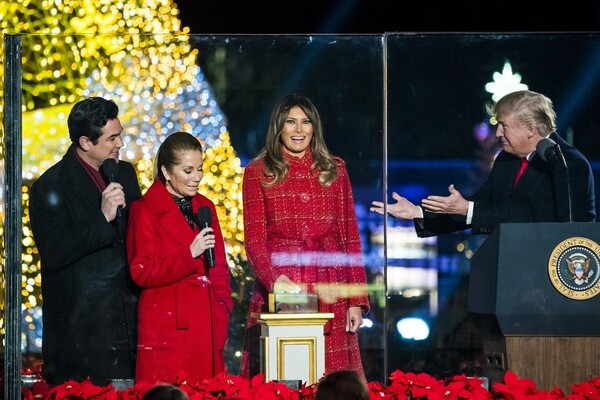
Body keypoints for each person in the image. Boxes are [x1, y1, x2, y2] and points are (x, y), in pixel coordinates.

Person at [240, 94, 370, 378]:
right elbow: (254, 242)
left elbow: (350, 238)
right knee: (287, 375)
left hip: (331, 287)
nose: (299, 130)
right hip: (284, 286)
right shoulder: (257, 172)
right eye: (291, 122)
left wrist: (357, 299)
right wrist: (274, 281)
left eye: (305, 122)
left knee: (334, 382)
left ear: (315, 128)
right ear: (279, 127)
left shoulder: (335, 169)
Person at [370, 90, 596, 235]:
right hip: (506, 278)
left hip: (549, 282)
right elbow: (481, 206)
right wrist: (418, 212)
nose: (497, 133)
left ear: (530, 128)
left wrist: (469, 208)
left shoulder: (568, 164)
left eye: (504, 125)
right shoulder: (506, 160)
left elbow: (531, 216)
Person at [29, 97, 141, 385]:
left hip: (128, 326)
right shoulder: (49, 187)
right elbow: (55, 252)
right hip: (80, 338)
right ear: (85, 142)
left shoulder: (125, 174)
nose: (120, 144)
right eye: (112, 138)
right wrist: (101, 218)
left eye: (121, 136)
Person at [126, 131, 233, 384]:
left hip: (207, 326)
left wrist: (221, 307)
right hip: (167, 329)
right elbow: (141, 271)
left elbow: (218, 266)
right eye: (188, 171)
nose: (196, 177)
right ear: (166, 171)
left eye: (200, 169)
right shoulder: (144, 210)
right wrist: (189, 255)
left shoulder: (205, 207)